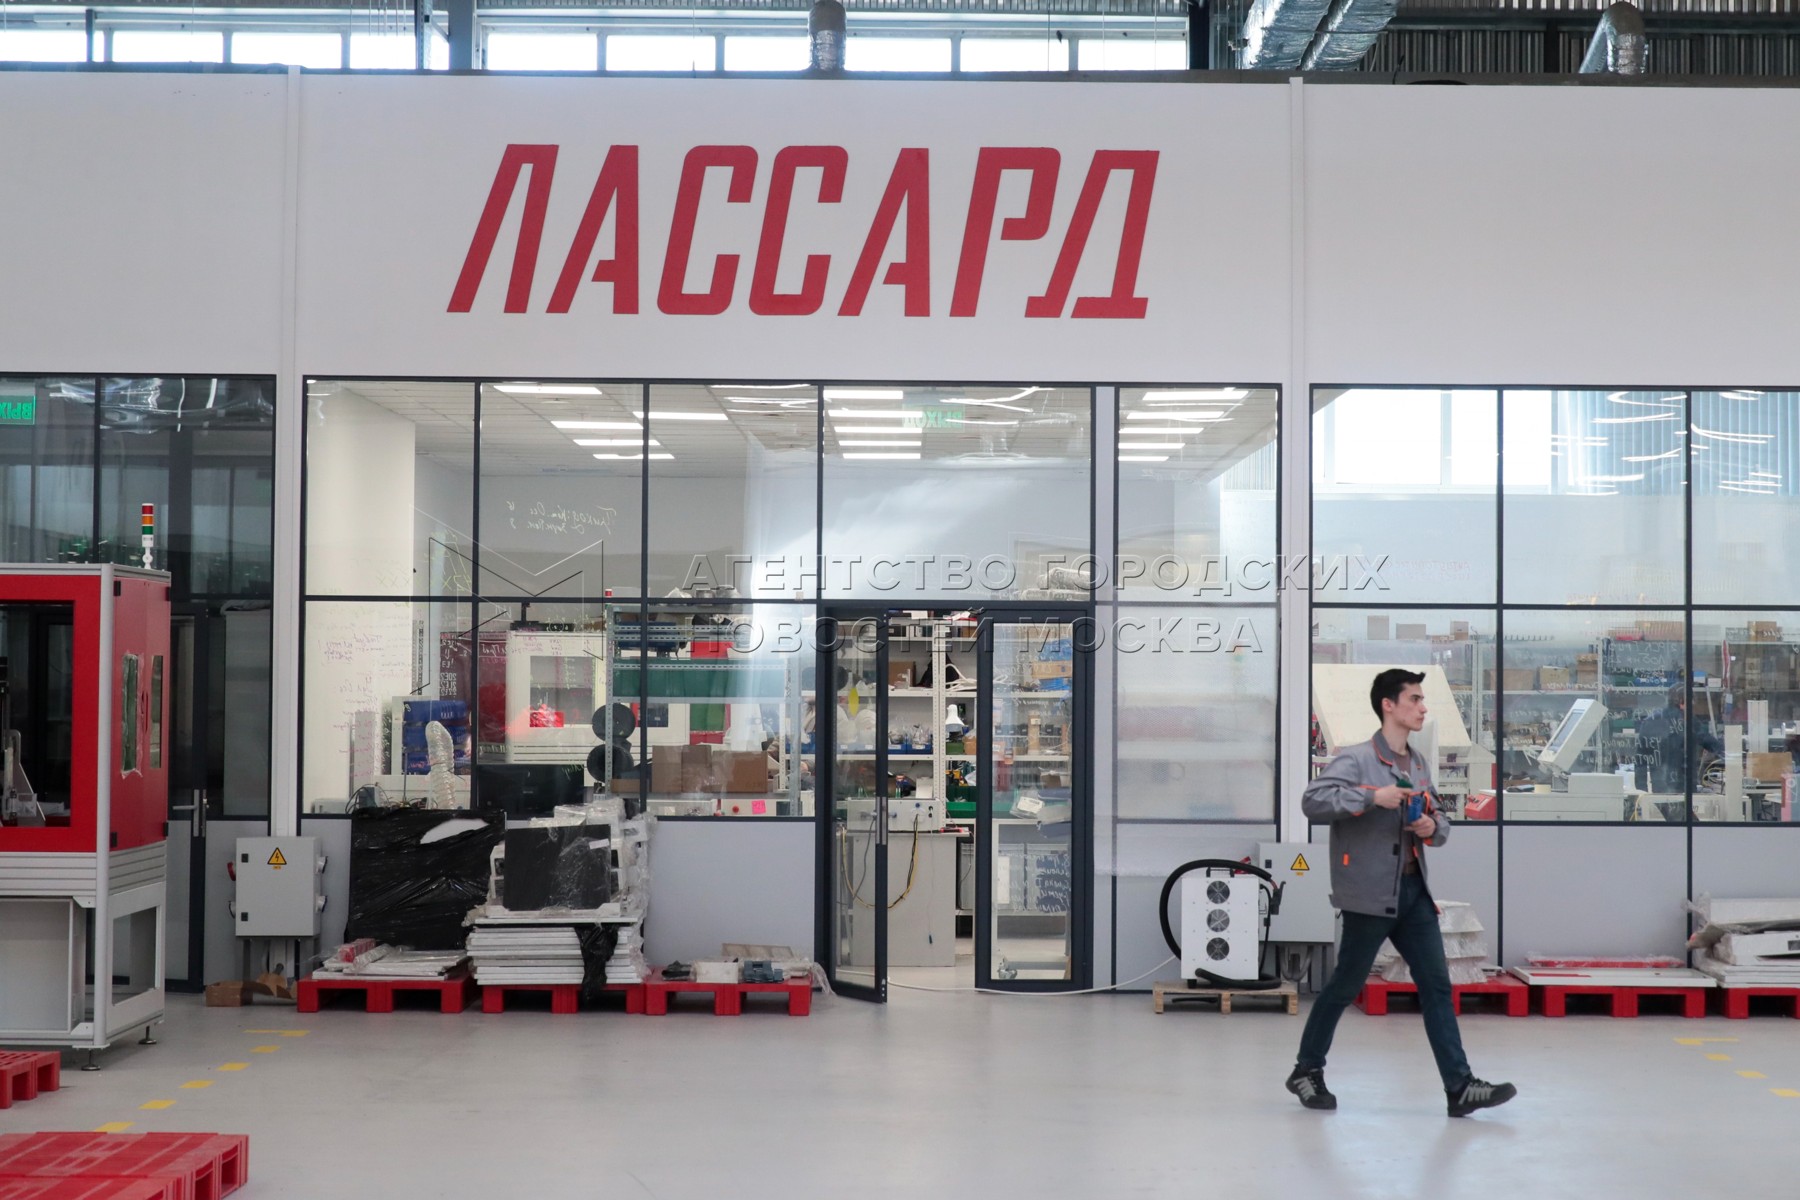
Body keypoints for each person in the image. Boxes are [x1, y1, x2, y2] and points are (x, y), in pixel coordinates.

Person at [1286, 668, 1517, 1118]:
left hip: (1413, 893)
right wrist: (1371, 798)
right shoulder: (1355, 760)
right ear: (1388, 705)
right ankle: (1306, 1070)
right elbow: (1313, 802)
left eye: (1422, 700)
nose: (1423, 708)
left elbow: (1439, 820)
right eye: (1414, 699)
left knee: (1437, 986)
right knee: (1344, 986)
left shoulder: (1419, 764)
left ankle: (1459, 1086)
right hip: (1369, 896)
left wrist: (1432, 826)